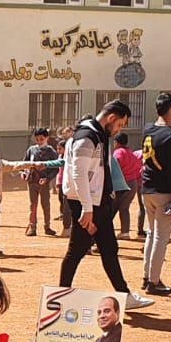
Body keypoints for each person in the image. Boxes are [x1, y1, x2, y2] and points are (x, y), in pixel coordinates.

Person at [57, 101, 155, 310]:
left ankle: (124, 295)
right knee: (76, 251)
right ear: (111, 118)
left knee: (109, 248)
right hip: (86, 203)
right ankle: (60, 297)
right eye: (119, 124)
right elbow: (78, 174)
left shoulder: (97, 135)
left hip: (97, 202)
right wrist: (87, 209)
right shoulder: (86, 138)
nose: (119, 130)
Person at [140, 94, 171, 296]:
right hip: (163, 192)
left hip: (147, 189)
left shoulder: (148, 129)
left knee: (152, 234)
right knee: (161, 238)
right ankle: (154, 281)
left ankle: (147, 276)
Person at [24, 128, 59, 236]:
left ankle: (47, 226)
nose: (39, 141)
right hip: (32, 182)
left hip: (44, 183)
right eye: (37, 139)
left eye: (41, 139)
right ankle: (32, 227)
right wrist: (23, 172)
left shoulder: (52, 152)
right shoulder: (31, 150)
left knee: (46, 205)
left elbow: (55, 169)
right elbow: (24, 163)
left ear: (47, 138)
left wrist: (47, 179)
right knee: (33, 205)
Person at [111, 133, 142, 239]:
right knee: (124, 208)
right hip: (133, 183)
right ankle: (125, 232)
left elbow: (114, 167)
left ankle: (104, 233)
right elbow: (138, 167)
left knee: (111, 209)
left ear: (116, 143)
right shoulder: (131, 153)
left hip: (121, 184)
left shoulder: (118, 152)